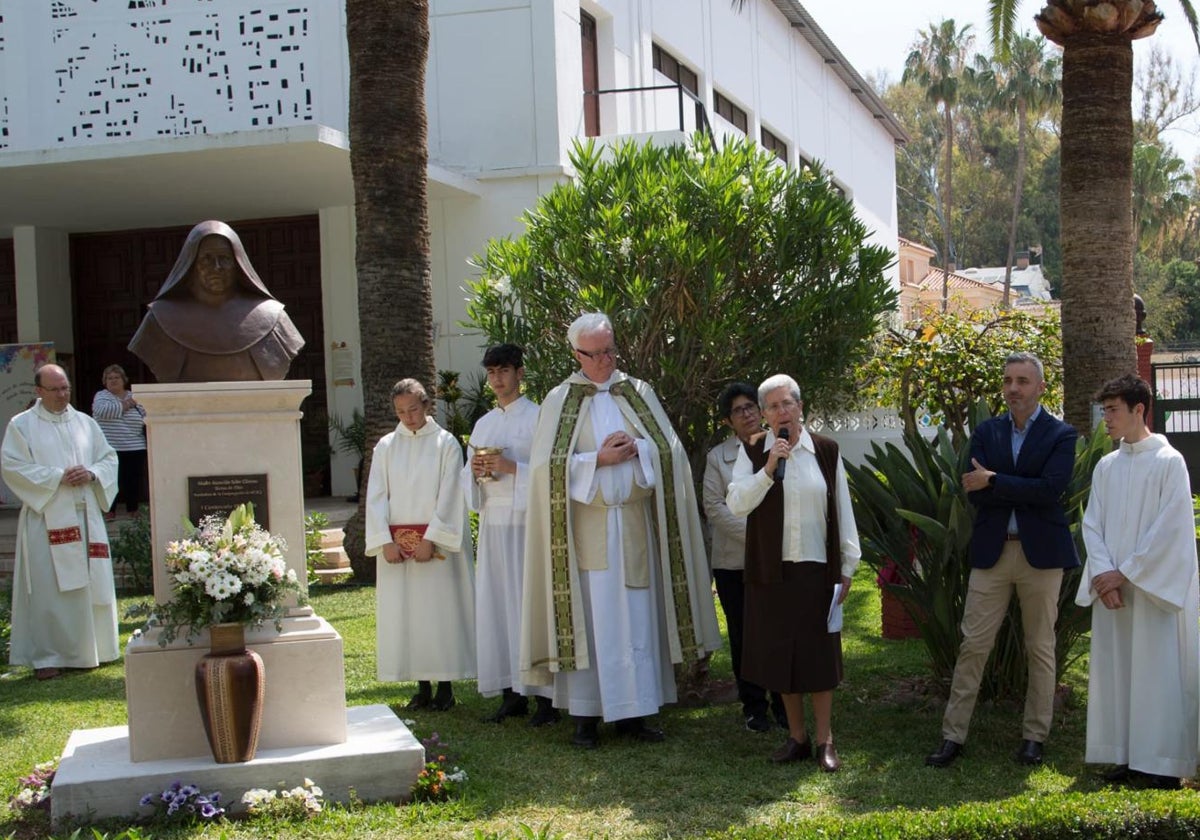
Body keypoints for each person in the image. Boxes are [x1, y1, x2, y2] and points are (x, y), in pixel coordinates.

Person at [520, 313, 722, 748]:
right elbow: (543, 470)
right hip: (586, 533)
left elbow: (671, 453)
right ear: (577, 354)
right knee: (594, 621)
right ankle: (586, 717)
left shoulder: (638, 392)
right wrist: (598, 461)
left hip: (633, 525)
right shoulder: (561, 399)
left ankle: (637, 713)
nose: (605, 361)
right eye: (595, 354)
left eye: (610, 350)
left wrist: (640, 449)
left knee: (636, 620)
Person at [926, 351, 1079, 768]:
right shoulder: (987, 431)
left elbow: (1052, 490)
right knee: (973, 645)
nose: (1013, 388)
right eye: (1009, 380)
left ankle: (1035, 737)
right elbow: (972, 488)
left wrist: (994, 479)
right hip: (993, 553)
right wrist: (1006, 486)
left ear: (1040, 387)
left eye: (1023, 381)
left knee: (1040, 648)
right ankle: (952, 736)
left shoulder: (1061, 435)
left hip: (1040, 557)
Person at [726, 374, 859, 772]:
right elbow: (736, 504)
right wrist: (768, 469)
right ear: (764, 415)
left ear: (801, 406)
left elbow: (842, 509)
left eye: (788, 403)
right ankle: (796, 738)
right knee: (781, 654)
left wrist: (849, 565)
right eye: (773, 406)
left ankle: (825, 740)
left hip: (817, 569)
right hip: (772, 570)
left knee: (818, 655)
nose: (782, 412)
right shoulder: (753, 452)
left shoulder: (826, 450)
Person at [1077, 373, 1199, 789]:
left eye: (1112, 410)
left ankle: (1161, 762)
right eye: (1104, 409)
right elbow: (1091, 525)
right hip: (1115, 594)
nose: (1105, 419)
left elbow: (1170, 529)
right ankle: (1126, 755)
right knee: (1119, 672)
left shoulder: (1169, 463)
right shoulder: (1107, 466)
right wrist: (1104, 577)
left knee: (1156, 671)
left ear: (1139, 409)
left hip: (1151, 592)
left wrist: (1123, 574)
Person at [1, 364, 120, 680]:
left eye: (65, 387)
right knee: (49, 587)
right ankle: (49, 656)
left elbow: (108, 458)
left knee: (91, 584)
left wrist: (92, 473)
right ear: (38, 391)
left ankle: (95, 649)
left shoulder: (85, 423)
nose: (62, 394)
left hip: (85, 516)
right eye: (54, 389)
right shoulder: (22, 425)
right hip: (47, 517)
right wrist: (57, 477)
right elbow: (12, 466)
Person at [366, 378, 476, 711]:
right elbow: (376, 495)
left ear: (427, 405)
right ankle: (421, 685)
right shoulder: (386, 446)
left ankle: (445, 685)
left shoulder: (446, 444)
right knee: (409, 614)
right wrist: (385, 541)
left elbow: (450, 494)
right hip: (398, 550)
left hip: (435, 547)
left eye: (413, 409)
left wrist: (431, 539)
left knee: (438, 613)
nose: (408, 417)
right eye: (401, 411)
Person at [461, 344, 556, 726]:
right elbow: (465, 477)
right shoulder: (484, 424)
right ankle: (510, 692)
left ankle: (546, 699)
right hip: (493, 525)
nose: (497, 379)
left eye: (503, 371)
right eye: (491, 372)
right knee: (498, 606)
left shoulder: (539, 418)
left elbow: (552, 471)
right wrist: (476, 470)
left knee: (528, 605)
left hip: (527, 525)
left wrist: (512, 467)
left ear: (519, 373)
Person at [703, 381, 786, 733]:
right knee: (743, 635)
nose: (748, 414)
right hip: (734, 562)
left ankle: (785, 704)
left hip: (777, 560)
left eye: (752, 406)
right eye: (739, 410)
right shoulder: (717, 457)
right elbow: (714, 507)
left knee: (777, 631)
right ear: (728, 421)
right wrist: (756, 538)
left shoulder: (781, 447)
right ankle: (753, 706)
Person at [128, 220, 304, 382]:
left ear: (237, 264)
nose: (217, 267)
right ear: (191, 264)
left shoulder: (273, 317)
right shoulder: (159, 317)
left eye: (225, 258)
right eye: (207, 258)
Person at [91, 364, 147, 518]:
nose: (113, 380)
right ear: (105, 381)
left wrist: (122, 407)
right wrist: (127, 404)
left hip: (135, 446)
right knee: (111, 480)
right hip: (110, 447)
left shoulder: (135, 396)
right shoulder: (102, 396)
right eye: (109, 378)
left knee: (133, 481)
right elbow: (104, 412)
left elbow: (145, 415)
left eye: (117, 377)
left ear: (124, 380)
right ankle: (110, 510)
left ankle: (133, 510)